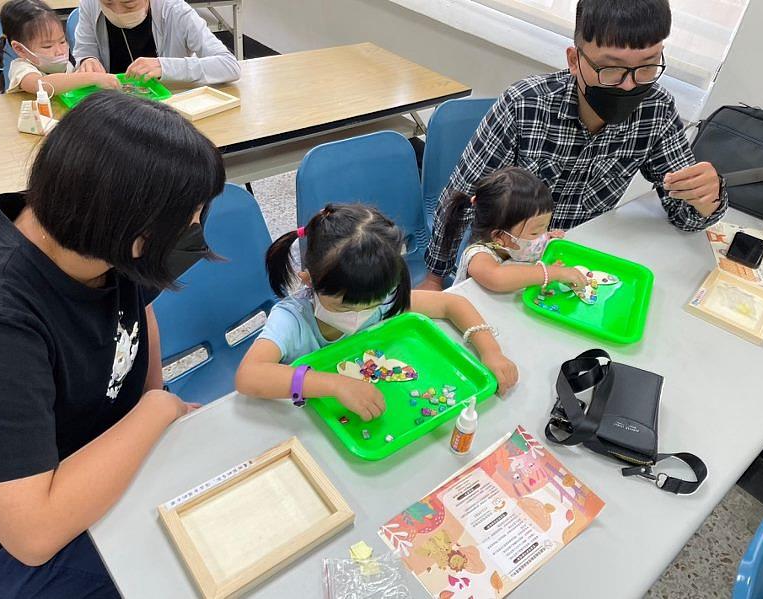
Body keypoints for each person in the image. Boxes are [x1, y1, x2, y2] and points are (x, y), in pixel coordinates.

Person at [0, 91, 225, 597]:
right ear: (136, 235)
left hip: (100, 463)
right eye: (191, 216)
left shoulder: (97, 240)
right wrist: (157, 410)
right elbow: (30, 535)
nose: (197, 228)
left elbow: (142, 314)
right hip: (18, 540)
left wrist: (156, 413)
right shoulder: (0, 319)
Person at [419, 0, 727, 291]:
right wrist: (434, 278)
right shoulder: (525, 106)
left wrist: (706, 199)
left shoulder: (655, 110)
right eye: (612, 69)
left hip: (577, 263)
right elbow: (459, 201)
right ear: (574, 60)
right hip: (506, 264)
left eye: (647, 67)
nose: (630, 84)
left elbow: (684, 214)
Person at [235, 203, 519, 421]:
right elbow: (248, 376)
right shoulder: (292, 319)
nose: (360, 314)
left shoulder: (379, 297)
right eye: (345, 306)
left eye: (371, 305)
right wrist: (334, 385)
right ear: (310, 280)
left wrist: (490, 350)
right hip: (311, 419)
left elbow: (450, 304)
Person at [445, 167, 588, 291]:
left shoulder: (520, 245)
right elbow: (497, 277)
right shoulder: (478, 255)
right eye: (535, 232)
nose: (542, 236)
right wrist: (552, 273)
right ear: (499, 236)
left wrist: (548, 238)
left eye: (545, 227)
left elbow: (528, 251)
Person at [73, 0, 241, 84]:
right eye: (108, 2)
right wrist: (88, 60)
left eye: (129, 4)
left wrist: (164, 67)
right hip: (113, 105)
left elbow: (229, 66)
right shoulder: (90, 4)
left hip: (166, 108)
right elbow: (84, 51)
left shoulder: (176, 10)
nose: (117, 10)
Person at [0, 0, 119, 94]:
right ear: (20, 49)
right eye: (47, 46)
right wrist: (92, 78)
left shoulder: (67, 65)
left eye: (62, 41)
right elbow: (41, 85)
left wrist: (87, 65)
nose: (60, 51)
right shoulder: (21, 68)